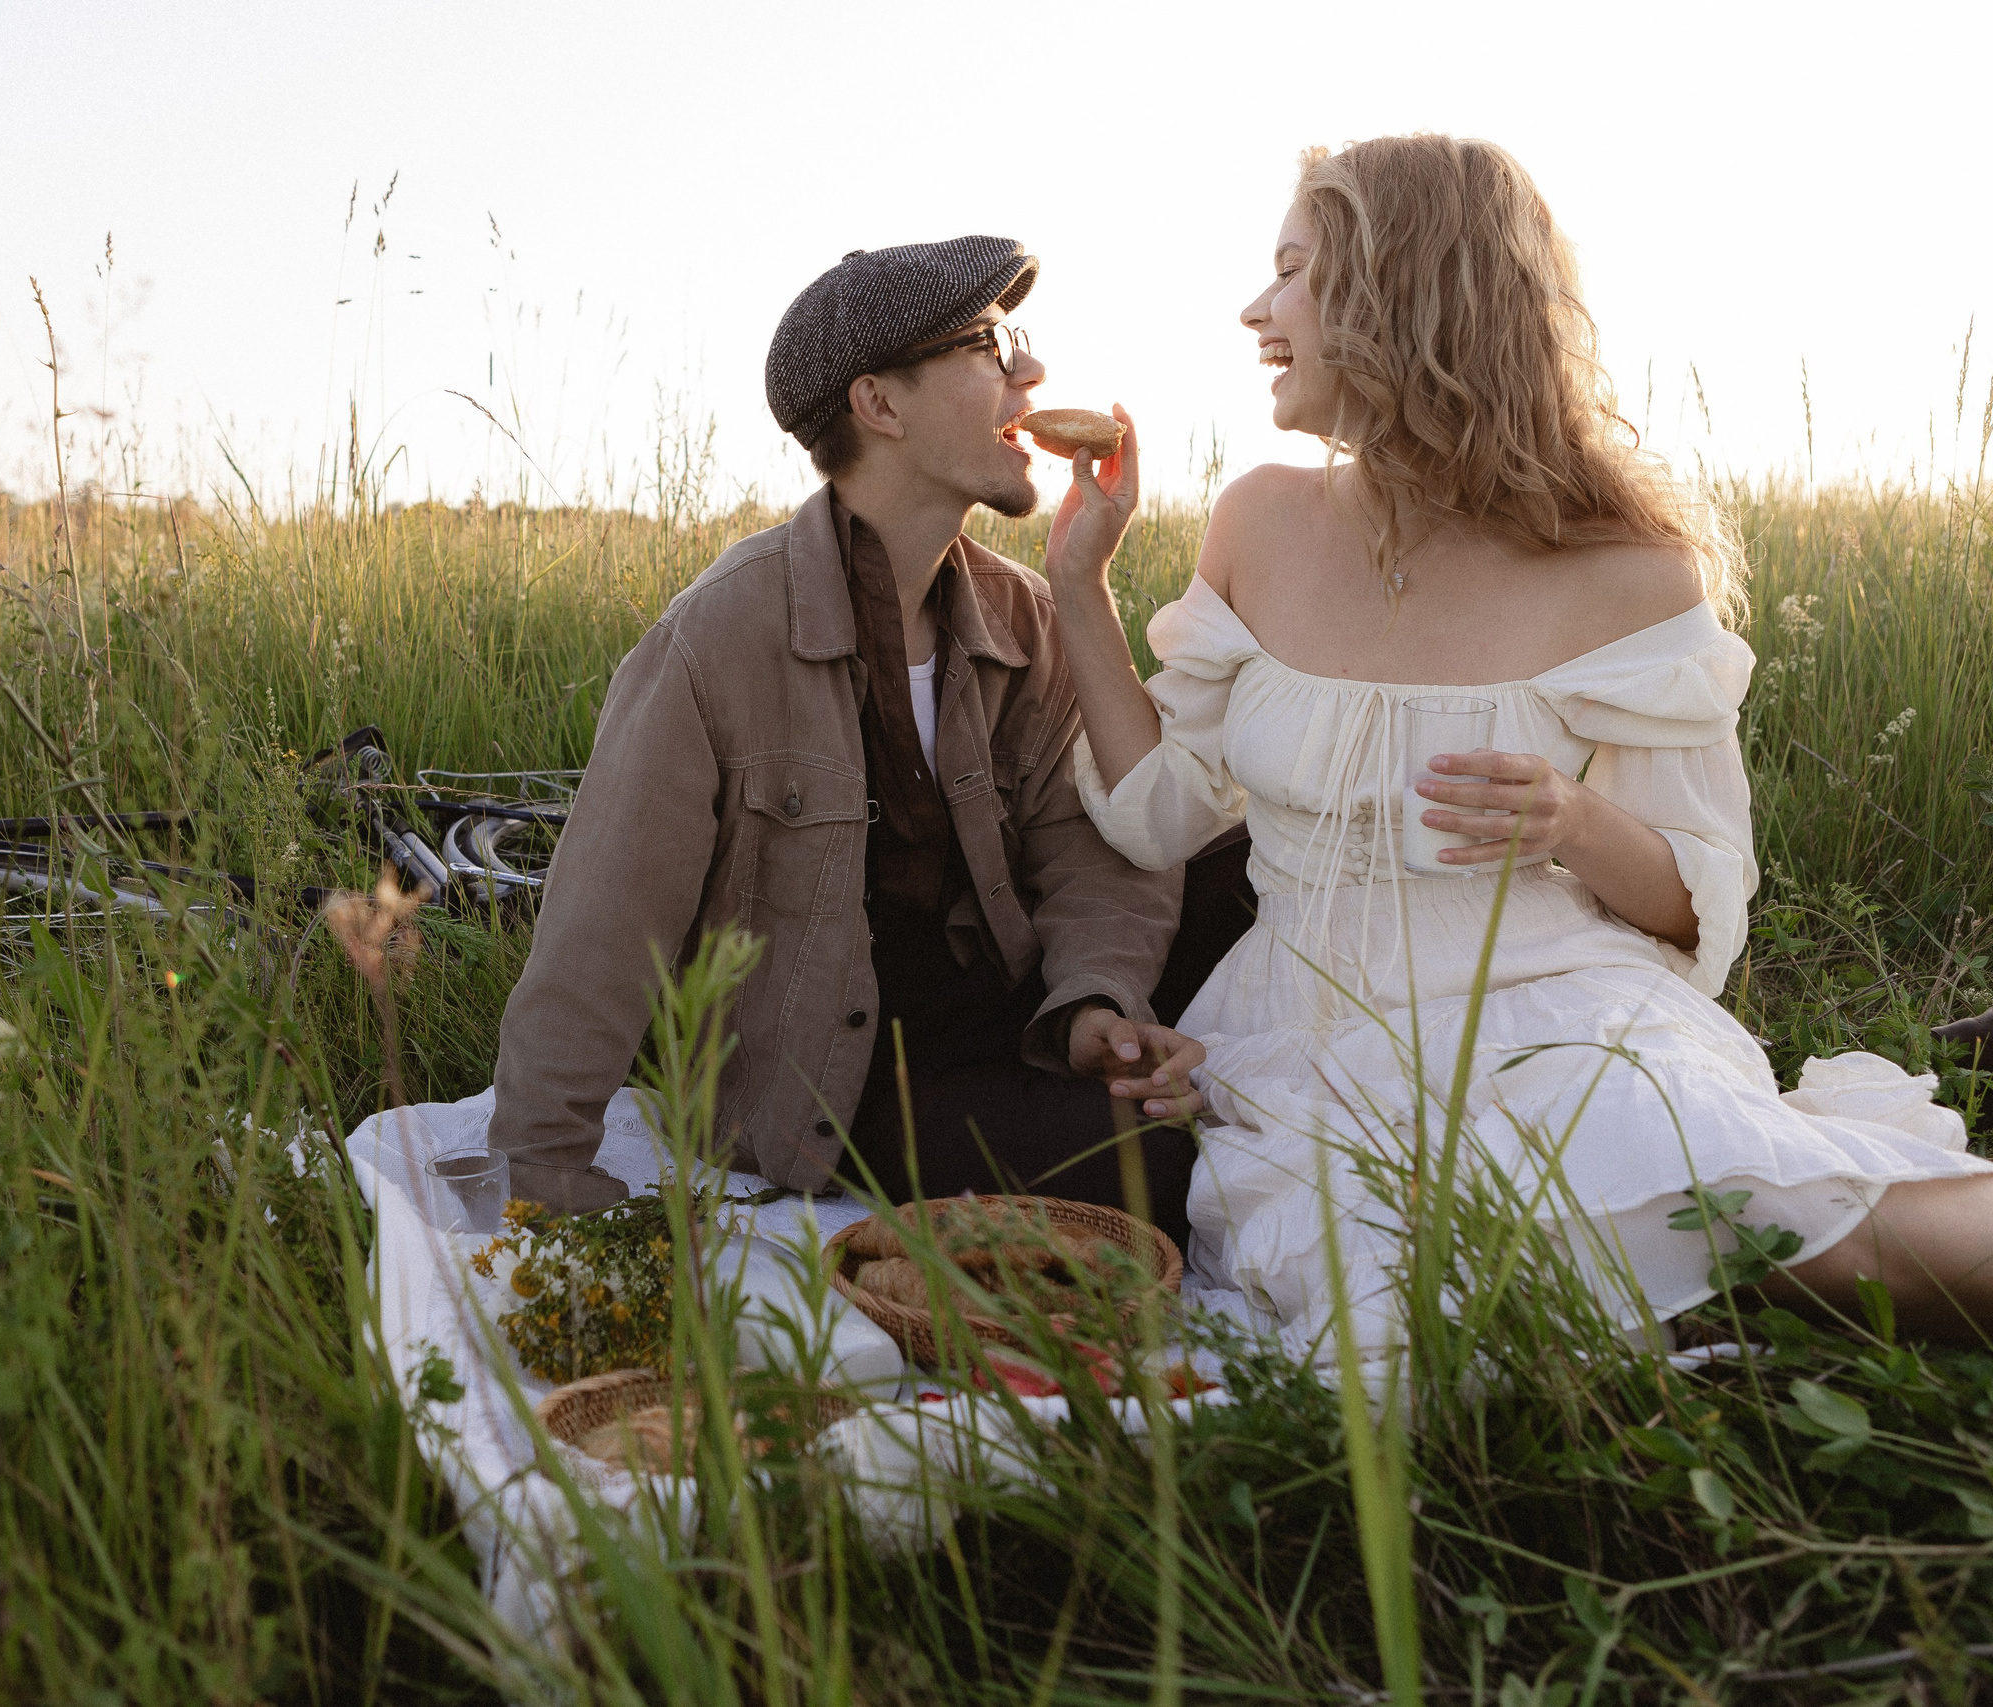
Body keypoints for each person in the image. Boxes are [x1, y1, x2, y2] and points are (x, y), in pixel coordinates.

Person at [1042, 136, 1993, 1351]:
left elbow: (1698, 905)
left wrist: (1574, 820)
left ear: (1399, 292)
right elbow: (1158, 814)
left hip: (1558, 1001)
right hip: (1307, 1031)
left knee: (1796, 1237)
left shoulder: (1623, 567)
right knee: (1421, 1310)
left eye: (1291, 272)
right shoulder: (1259, 519)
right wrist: (1081, 578)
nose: (1254, 309)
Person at [486, 238, 1259, 1235]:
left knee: (1246, 859)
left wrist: (1092, 1005)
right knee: (1154, 1166)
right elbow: (603, 928)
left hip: (1006, 1002)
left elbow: (1094, 846)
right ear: (880, 407)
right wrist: (541, 1182)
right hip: (837, 1065)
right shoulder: (719, 637)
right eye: (988, 347)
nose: (1028, 374)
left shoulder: (1021, 614)